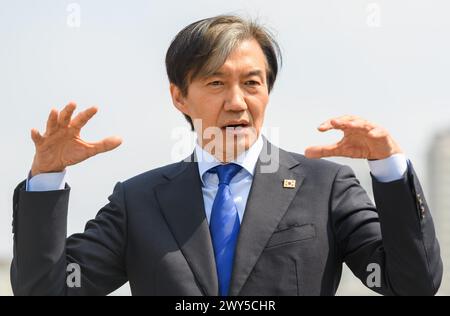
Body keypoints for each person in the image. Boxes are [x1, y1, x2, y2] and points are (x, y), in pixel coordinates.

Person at [11, 15, 442, 296]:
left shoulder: (325, 186)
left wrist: (388, 169)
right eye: (216, 84)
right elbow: (45, 292)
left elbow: (412, 284)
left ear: (267, 92)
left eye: (252, 83)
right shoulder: (138, 201)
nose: (237, 102)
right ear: (179, 97)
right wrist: (46, 179)